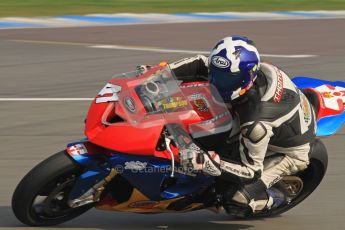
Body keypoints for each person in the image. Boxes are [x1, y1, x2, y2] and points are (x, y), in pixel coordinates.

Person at [169, 35, 316, 214]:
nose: (217, 81)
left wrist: (209, 162)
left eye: (226, 79)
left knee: (235, 199)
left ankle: (277, 196)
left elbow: (251, 171)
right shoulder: (237, 71)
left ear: (247, 77)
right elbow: (202, 63)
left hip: (290, 152)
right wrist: (157, 74)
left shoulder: (255, 122)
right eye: (216, 74)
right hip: (279, 116)